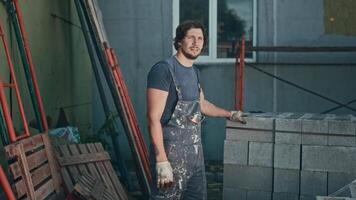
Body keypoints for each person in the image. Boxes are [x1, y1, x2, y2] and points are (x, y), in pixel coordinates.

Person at [147, 20, 246, 200]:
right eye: (191, 38)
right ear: (179, 41)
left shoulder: (194, 73)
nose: (196, 43)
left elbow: (201, 105)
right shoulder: (163, 70)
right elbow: (153, 118)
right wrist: (161, 160)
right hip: (171, 157)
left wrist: (230, 114)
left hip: (195, 157)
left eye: (200, 38)